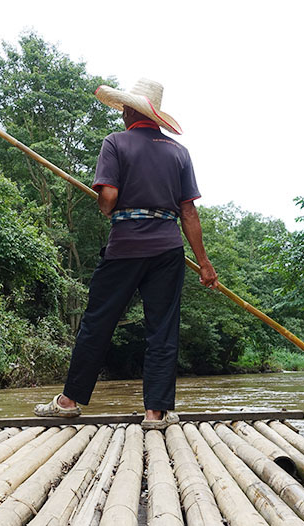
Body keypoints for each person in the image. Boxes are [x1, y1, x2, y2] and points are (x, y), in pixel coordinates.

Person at [34, 78, 219, 429]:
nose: (121, 115)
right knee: (162, 329)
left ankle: (70, 401)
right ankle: (156, 413)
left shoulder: (115, 143)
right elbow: (189, 214)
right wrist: (205, 264)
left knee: (97, 324)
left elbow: (109, 199)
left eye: (123, 109)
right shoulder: (179, 152)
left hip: (125, 247)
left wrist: (105, 204)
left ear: (132, 110)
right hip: (168, 249)